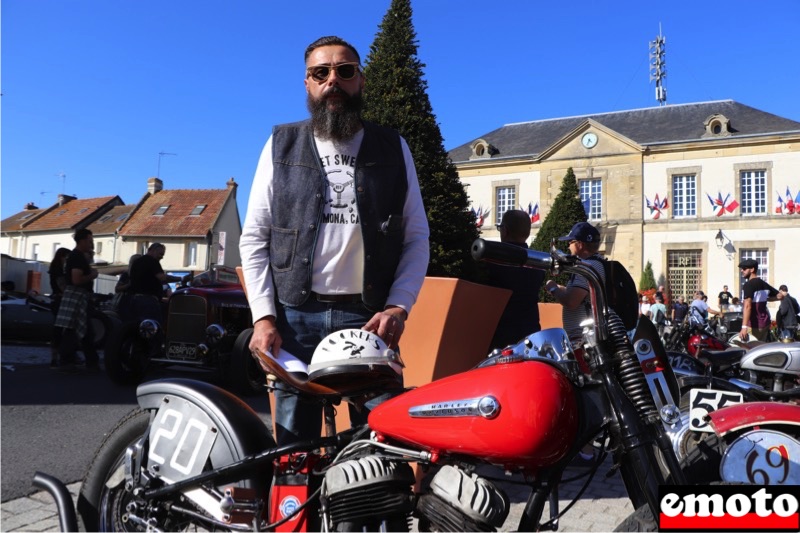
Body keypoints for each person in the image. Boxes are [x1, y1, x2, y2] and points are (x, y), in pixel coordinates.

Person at [239, 35, 430, 446]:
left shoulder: (393, 147)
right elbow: (255, 236)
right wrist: (264, 317)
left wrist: (399, 306)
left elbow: (416, 236)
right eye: (320, 72)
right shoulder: (280, 144)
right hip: (294, 319)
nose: (333, 80)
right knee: (293, 454)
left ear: (360, 81)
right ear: (307, 83)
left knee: (383, 448)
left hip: (367, 320)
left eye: (345, 71)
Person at [544, 221, 605, 466]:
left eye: (570, 241)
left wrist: (552, 288)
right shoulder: (593, 265)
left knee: (584, 394)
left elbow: (571, 301)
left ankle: (586, 452)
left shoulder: (588, 266)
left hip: (584, 342)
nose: (568, 245)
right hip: (584, 340)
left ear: (580, 245)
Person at [485, 209, 544, 349]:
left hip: (498, 337)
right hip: (530, 334)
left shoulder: (491, 260)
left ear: (504, 230)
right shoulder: (538, 263)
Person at [53, 229, 100, 372]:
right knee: (76, 330)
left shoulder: (75, 256)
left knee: (78, 330)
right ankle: (72, 361)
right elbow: (76, 280)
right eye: (90, 241)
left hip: (77, 297)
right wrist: (92, 275)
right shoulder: (77, 257)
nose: (91, 244)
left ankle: (84, 361)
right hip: (77, 297)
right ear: (82, 241)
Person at [129, 243, 180, 322]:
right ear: (153, 251)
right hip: (148, 300)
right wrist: (180, 278)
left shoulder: (137, 262)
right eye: (161, 254)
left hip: (135, 299)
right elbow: (162, 277)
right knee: (153, 324)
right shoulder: (152, 261)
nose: (162, 257)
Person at [738, 258, 781, 342]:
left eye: (744, 268)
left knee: (749, 350)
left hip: (753, 325)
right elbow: (780, 296)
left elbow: (747, 306)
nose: (741, 271)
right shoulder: (764, 284)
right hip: (765, 324)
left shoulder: (748, 285)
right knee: (760, 349)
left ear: (752, 269)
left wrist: (744, 327)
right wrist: (765, 298)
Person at [48, 247, 71, 367]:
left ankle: (55, 357)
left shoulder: (54, 269)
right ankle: (60, 357)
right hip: (61, 300)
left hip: (56, 300)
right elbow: (62, 285)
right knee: (62, 330)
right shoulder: (59, 271)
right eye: (66, 257)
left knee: (57, 330)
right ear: (62, 257)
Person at [112, 253, 142, 321]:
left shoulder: (142, 275)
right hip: (126, 302)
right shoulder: (126, 274)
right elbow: (117, 289)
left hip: (135, 303)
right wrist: (128, 285)